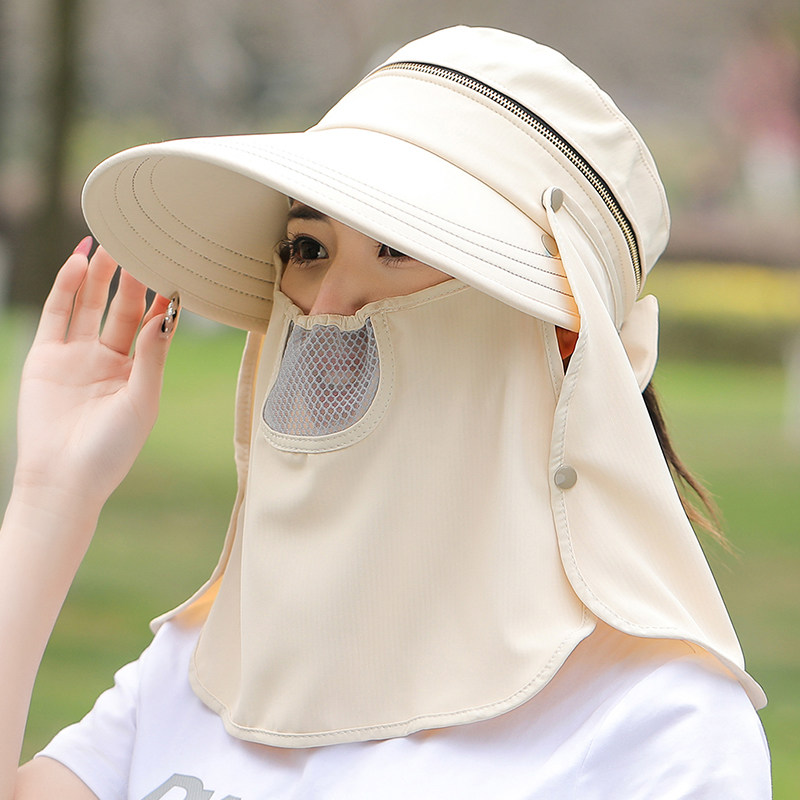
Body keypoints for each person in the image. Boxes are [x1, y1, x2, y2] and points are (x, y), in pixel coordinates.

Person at [2, 26, 771, 799]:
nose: (327, 305)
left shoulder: (655, 727)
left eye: (399, 247)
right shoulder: (211, 665)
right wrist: (50, 497)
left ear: (565, 337)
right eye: (308, 249)